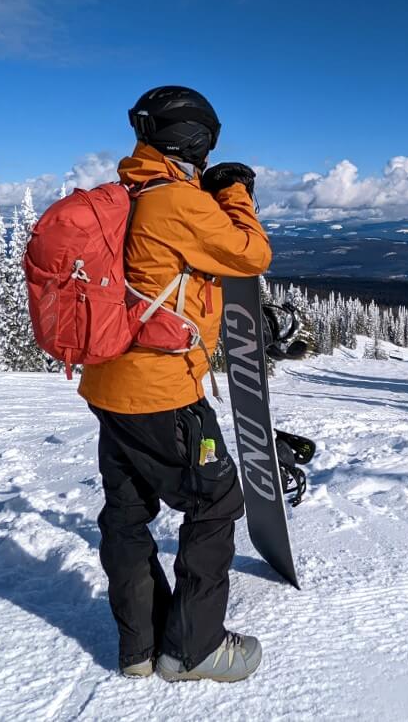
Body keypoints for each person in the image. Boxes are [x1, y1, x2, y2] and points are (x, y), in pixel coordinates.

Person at [78, 86, 272, 682]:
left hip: (110, 383)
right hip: (162, 390)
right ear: (194, 139)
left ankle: (139, 647)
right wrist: (235, 191)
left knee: (128, 511)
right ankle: (194, 649)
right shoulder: (175, 202)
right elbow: (250, 254)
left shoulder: (127, 192)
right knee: (216, 501)